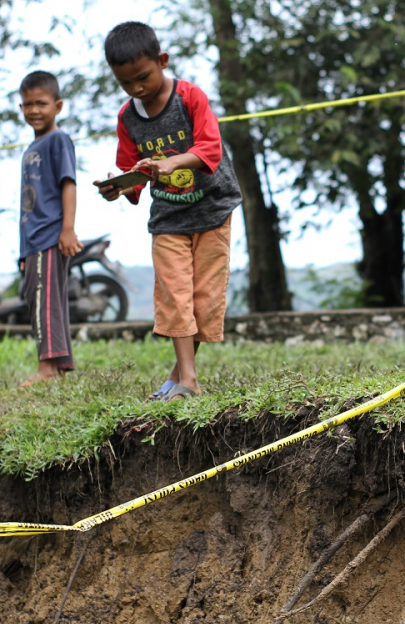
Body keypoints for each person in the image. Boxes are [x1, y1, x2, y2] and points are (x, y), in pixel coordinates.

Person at [95, 21, 242, 401]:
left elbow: (210, 150)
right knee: (176, 297)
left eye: (142, 77)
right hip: (169, 219)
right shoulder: (128, 118)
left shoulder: (190, 98)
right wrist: (118, 187)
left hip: (213, 209)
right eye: (126, 84)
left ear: (162, 60)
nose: (136, 89)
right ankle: (189, 382)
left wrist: (173, 163)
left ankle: (177, 379)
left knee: (203, 299)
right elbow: (134, 172)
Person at [18, 70, 82, 387]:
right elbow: (27, 204)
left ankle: (46, 368)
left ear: (57, 106)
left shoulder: (58, 140)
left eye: (41, 103)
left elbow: (68, 184)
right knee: (40, 298)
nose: (34, 110)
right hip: (33, 241)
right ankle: (58, 364)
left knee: (44, 300)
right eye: (28, 104)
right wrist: (23, 252)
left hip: (49, 235)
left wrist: (67, 229)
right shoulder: (31, 148)